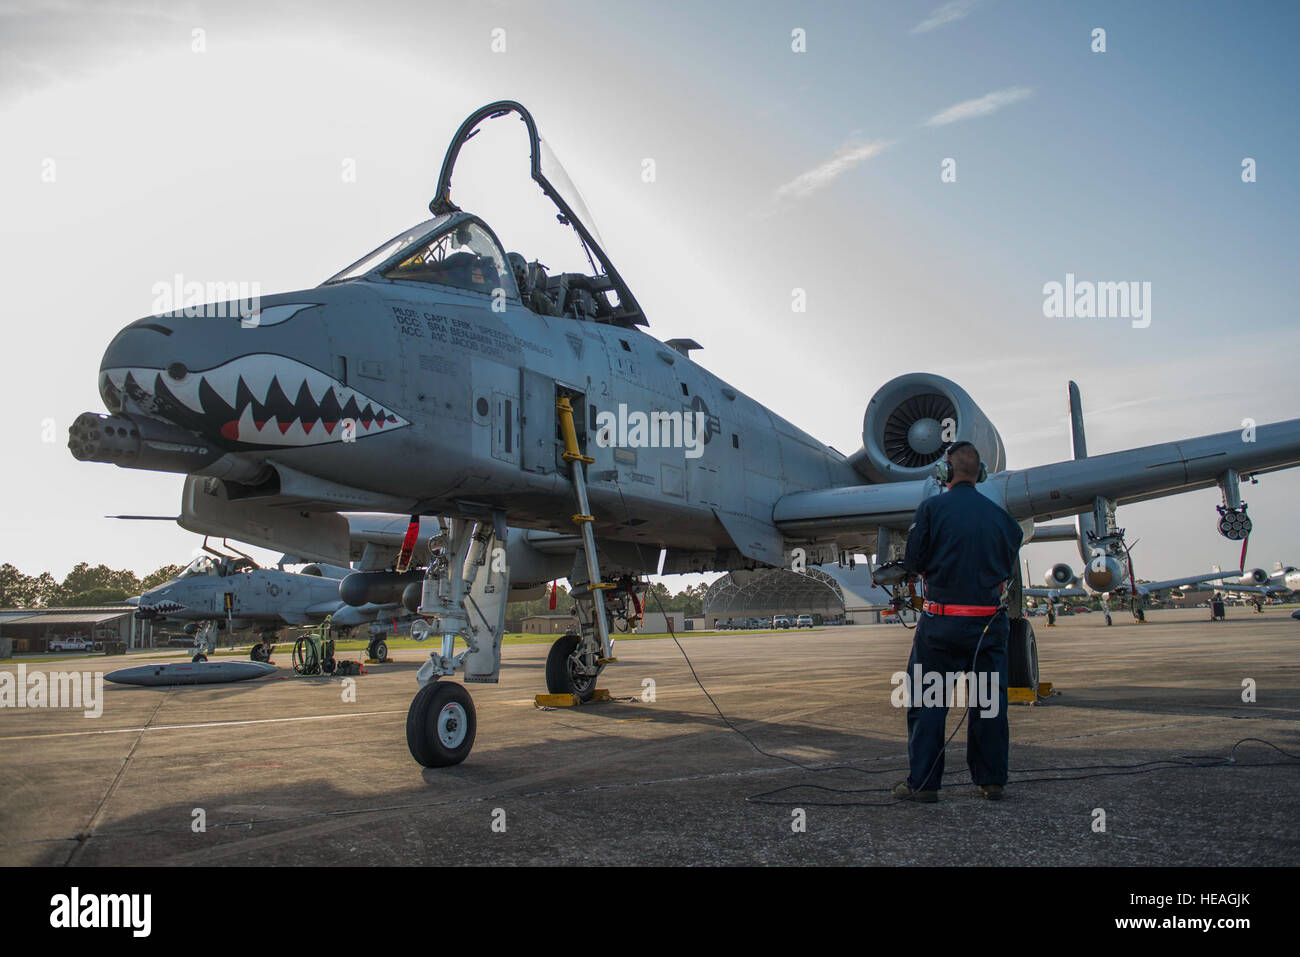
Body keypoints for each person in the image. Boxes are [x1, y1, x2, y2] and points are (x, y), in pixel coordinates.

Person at [893, 441, 1024, 803]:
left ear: (945, 472)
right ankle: (992, 780)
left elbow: (915, 560)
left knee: (929, 704)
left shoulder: (931, 508)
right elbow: (1009, 560)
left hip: (942, 626)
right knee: (989, 704)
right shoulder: (1004, 520)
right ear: (980, 474)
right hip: (988, 625)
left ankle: (923, 784)